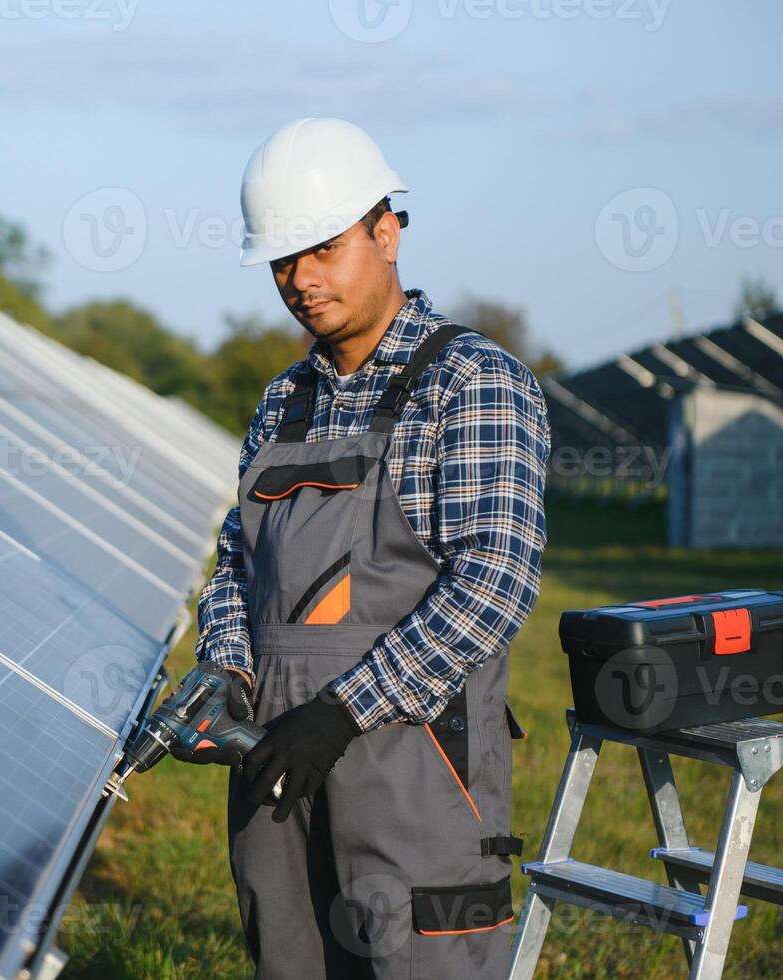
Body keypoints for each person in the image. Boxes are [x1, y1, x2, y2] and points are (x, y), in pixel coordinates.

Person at [190, 117, 551, 979]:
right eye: (282, 260)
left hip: (415, 768)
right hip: (276, 762)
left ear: (385, 232)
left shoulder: (470, 383)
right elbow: (236, 563)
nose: (301, 280)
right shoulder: (282, 402)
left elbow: (493, 582)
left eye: (321, 248)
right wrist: (226, 671)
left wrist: (343, 712)